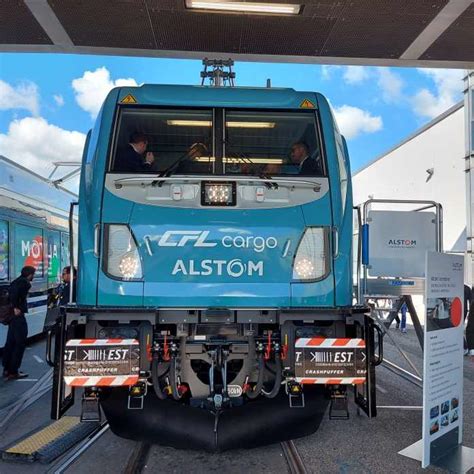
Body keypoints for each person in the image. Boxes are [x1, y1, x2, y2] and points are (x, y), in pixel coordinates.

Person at [2, 265, 36, 380]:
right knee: (19, 343)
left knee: (10, 342)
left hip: (12, 317)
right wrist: (16, 307)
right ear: (29, 274)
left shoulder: (16, 281)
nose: (33, 277)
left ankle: (6, 368)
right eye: (33, 274)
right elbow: (15, 295)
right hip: (18, 316)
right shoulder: (24, 283)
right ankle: (13, 370)